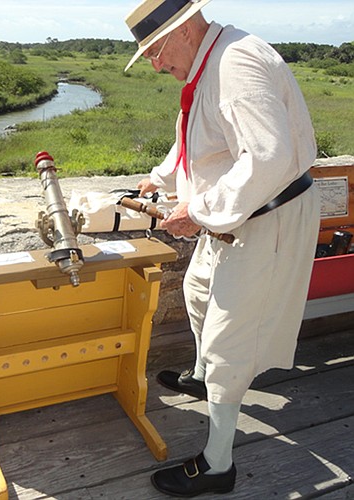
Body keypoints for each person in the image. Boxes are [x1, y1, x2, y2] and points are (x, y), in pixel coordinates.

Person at [124, 0, 321, 497]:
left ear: (186, 28)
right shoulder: (207, 64)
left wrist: (200, 212)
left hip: (268, 216)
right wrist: (160, 179)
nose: (155, 63)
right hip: (235, 215)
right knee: (196, 293)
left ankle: (217, 465)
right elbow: (196, 138)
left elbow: (269, 156)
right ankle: (202, 376)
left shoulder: (236, 62)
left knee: (229, 339)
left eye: (156, 49)